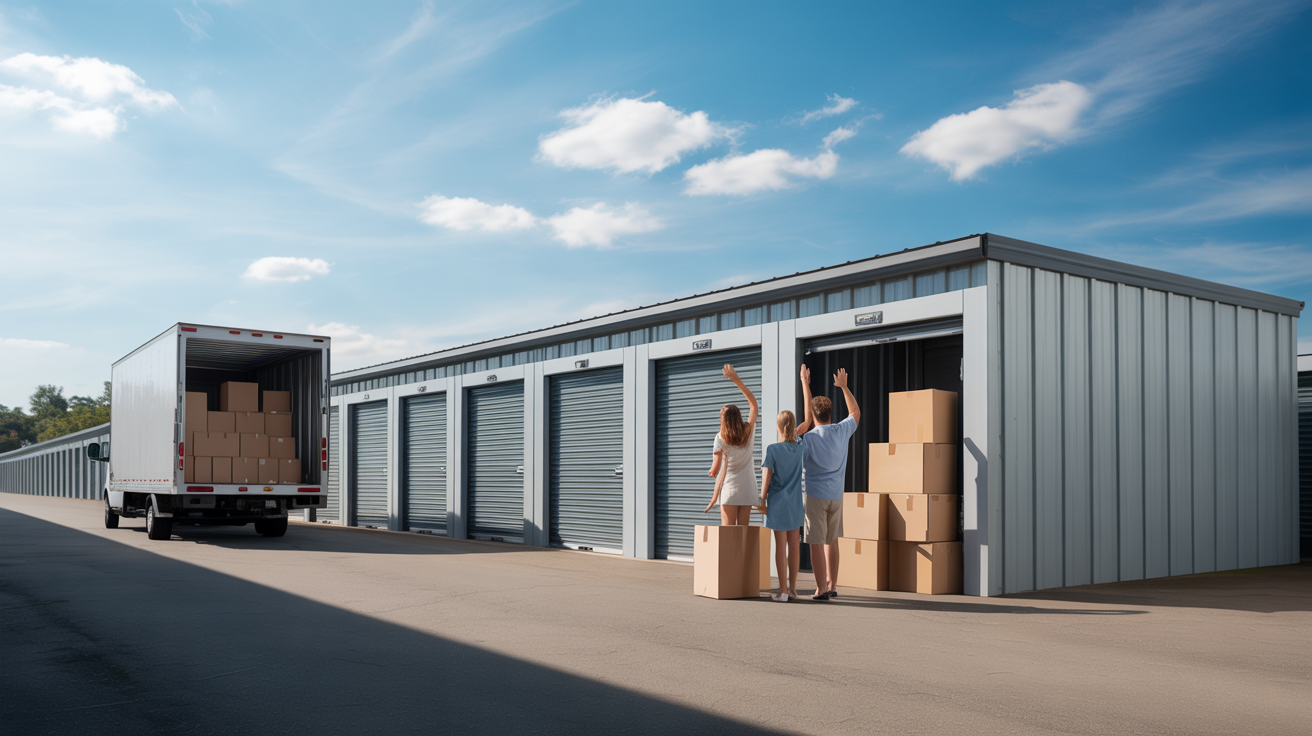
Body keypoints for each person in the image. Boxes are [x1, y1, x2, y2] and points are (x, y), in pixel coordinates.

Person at [797, 364, 860, 601]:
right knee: (832, 540)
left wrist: (805, 383)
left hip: (814, 495)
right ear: (831, 413)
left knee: (815, 541)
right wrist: (844, 387)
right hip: (836, 495)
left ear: (813, 416)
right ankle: (832, 585)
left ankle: (821, 589)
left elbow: (795, 439)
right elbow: (855, 413)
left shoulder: (808, 439)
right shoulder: (842, 431)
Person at [703, 364, 759, 526]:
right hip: (748, 489)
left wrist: (711, 472)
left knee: (728, 536)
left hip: (730, 490)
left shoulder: (720, 438)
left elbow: (715, 470)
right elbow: (754, 405)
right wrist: (736, 380)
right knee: (743, 535)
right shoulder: (748, 430)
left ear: (723, 421)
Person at [760, 410, 804, 602]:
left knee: (780, 545)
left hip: (778, 502)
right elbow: (806, 422)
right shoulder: (800, 448)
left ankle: (784, 591)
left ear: (778, 426)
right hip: (795, 502)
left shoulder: (772, 449)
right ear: (794, 426)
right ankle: (793, 589)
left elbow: (766, 477)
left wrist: (762, 500)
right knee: (794, 545)